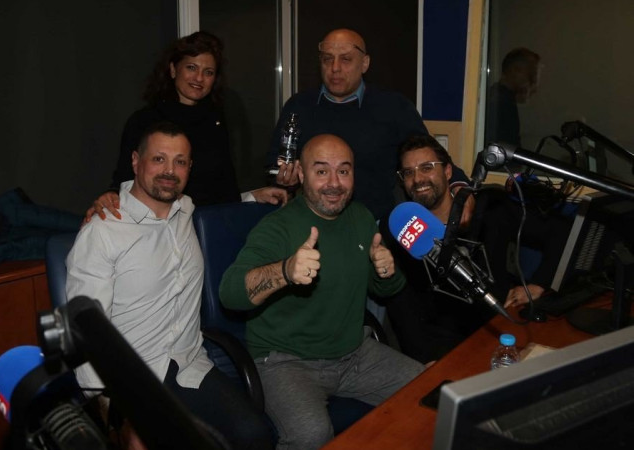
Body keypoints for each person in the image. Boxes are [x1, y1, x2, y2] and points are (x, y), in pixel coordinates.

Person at [66, 121, 272, 449]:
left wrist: (251, 197)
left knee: (255, 435)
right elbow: (83, 330)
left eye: (180, 162)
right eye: (158, 159)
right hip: (133, 380)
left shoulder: (186, 210)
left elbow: (218, 202)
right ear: (136, 161)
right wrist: (110, 412)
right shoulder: (103, 231)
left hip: (189, 365)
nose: (169, 171)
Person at [219, 134, 425, 449]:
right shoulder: (277, 227)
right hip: (286, 361)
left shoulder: (361, 218)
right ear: (301, 175)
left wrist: (386, 270)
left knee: (427, 390)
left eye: (343, 171)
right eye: (321, 171)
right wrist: (285, 270)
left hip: (354, 353)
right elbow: (230, 293)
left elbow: (385, 290)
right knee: (311, 434)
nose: (334, 183)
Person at [382, 135, 567, 363]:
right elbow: (403, 310)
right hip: (445, 346)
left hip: (504, 324)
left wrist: (539, 283)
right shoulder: (402, 230)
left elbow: (559, 231)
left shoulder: (490, 208)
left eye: (427, 168)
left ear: (448, 171)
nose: (418, 179)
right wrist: (426, 359)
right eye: (408, 172)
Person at [267, 28, 472, 222]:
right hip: (312, 222)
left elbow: (428, 155)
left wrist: (459, 186)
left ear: (364, 64)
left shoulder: (393, 107)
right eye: (327, 59)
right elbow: (274, 164)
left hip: (376, 224)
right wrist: (283, 179)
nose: (335, 68)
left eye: (346, 59)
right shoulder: (299, 106)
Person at [86, 31, 286, 222]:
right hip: (162, 229)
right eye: (191, 67)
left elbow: (221, 188)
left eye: (208, 72)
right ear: (173, 70)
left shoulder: (216, 121)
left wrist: (252, 196)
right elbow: (124, 181)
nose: (199, 78)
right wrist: (110, 196)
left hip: (211, 227)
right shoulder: (144, 121)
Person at [485, 47, 541, 148]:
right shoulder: (502, 101)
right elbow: (507, 146)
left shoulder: (500, 97)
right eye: (530, 73)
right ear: (515, 70)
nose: (532, 81)